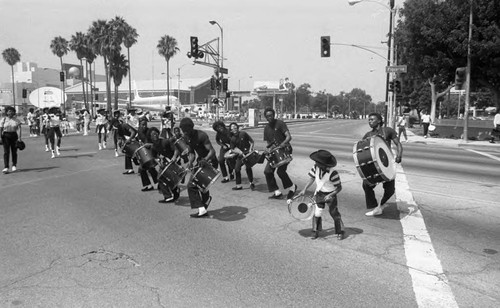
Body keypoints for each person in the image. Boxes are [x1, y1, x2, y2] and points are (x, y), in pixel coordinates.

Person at [293, 150, 344, 240]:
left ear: (324, 164)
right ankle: (315, 230)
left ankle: (340, 231)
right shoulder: (315, 167)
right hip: (319, 193)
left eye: (318, 162)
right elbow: (312, 178)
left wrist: (331, 195)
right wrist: (305, 189)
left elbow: (339, 188)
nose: (316, 163)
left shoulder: (333, 173)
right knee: (317, 212)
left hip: (330, 195)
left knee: (334, 213)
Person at [362, 113, 403, 216]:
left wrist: (399, 155)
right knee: (366, 184)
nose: (369, 121)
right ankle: (374, 205)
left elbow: (398, 144)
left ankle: (381, 204)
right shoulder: (368, 135)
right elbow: (362, 150)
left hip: (387, 164)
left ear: (379, 121)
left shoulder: (388, 131)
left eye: (372, 119)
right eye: (369, 120)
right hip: (374, 165)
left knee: (390, 190)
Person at [179, 117, 217, 218]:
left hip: (210, 161)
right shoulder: (187, 138)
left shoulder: (201, 135)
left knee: (191, 185)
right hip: (200, 161)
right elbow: (192, 152)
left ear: (192, 127)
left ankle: (201, 207)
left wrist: (206, 159)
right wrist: (190, 162)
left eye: (187, 131)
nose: (185, 133)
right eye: (184, 131)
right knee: (201, 185)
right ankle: (204, 205)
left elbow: (212, 151)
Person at [262, 107, 297, 199]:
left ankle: (292, 187)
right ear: (265, 117)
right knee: (267, 171)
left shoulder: (280, 123)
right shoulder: (266, 128)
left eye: (271, 115)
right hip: (274, 153)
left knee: (281, 172)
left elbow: (288, 137)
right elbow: (269, 143)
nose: (269, 117)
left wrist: (282, 144)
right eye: (267, 116)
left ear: (274, 115)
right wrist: (268, 149)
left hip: (285, 150)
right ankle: (277, 192)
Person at [148, 127, 181, 203]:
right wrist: (159, 162)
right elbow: (154, 157)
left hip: (172, 162)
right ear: (150, 137)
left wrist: (174, 157)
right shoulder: (153, 147)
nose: (155, 135)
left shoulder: (165, 141)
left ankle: (170, 194)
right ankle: (170, 194)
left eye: (156, 133)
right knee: (161, 178)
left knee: (165, 178)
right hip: (165, 163)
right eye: (153, 134)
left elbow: (176, 149)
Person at [228, 122, 255, 191]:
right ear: (231, 131)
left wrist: (250, 149)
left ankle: (251, 183)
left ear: (237, 127)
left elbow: (252, 141)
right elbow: (232, 149)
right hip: (240, 155)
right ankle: (238, 185)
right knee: (237, 169)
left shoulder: (243, 133)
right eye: (232, 128)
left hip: (248, 154)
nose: (234, 129)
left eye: (235, 127)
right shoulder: (232, 139)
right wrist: (239, 152)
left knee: (248, 167)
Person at [0, 106, 22, 173]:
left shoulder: (16, 120)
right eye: (9, 111)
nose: (11, 112)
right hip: (6, 136)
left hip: (14, 136)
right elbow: (0, 129)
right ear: (6, 112)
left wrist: (19, 137)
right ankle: (6, 167)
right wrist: (0, 137)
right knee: (6, 152)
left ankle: (14, 165)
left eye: (12, 111)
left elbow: (19, 129)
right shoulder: (3, 120)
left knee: (14, 151)